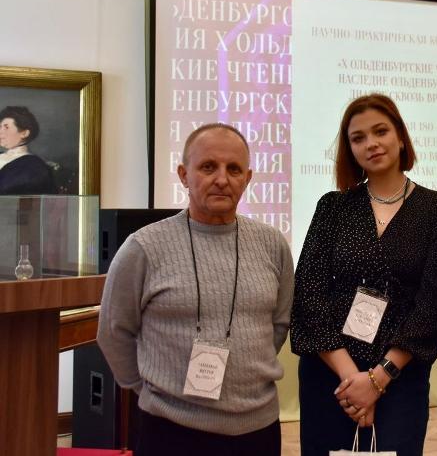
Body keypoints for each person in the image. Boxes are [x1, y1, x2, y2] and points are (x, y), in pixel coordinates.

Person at [97, 123, 294, 456]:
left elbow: (279, 323)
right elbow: (114, 331)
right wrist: (149, 389)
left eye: (234, 169)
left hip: (258, 429)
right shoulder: (143, 248)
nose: (222, 179)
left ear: (247, 178)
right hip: (170, 429)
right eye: (208, 167)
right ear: (184, 175)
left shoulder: (272, 244)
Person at [290, 94, 437, 456]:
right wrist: (352, 379)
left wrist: (378, 379)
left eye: (381, 131)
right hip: (331, 376)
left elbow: (435, 303)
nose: (371, 143)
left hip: (399, 377)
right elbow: (309, 293)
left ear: (401, 137)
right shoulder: (333, 207)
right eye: (358, 138)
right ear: (350, 150)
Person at [0, 106, 56, 195]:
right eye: (0, 127)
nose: (0, 131)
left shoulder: (34, 166)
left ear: (24, 133)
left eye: (6, 127)